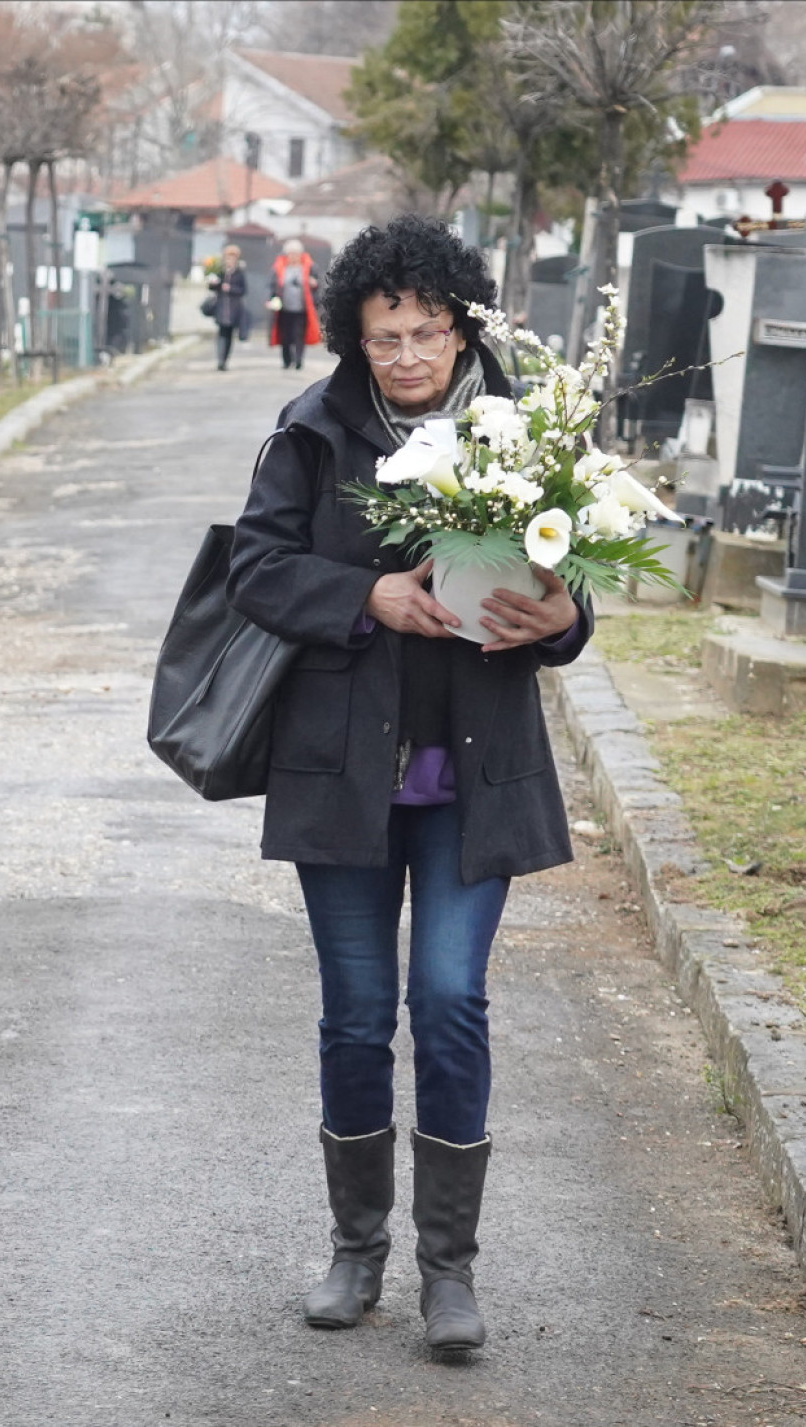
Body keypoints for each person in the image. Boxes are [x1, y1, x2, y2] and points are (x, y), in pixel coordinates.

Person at [227, 214, 593, 1355]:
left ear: (459, 325)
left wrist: (569, 612)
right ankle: (356, 1249)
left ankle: (450, 1269)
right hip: (343, 772)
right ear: (355, 331)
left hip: (476, 771)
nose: (405, 356)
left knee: (446, 998)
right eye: (384, 334)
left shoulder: (523, 431)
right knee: (351, 1013)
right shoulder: (314, 428)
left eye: (427, 331)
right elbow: (254, 565)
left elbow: (568, 572)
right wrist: (365, 596)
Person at [268, 237, 321, 370]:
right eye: (291, 253)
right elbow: (272, 286)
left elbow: (318, 284)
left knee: (299, 335)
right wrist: (271, 299)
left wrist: (313, 284)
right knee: (285, 336)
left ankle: (298, 360)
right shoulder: (279, 268)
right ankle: (287, 360)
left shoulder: (309, 267)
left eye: (296, 253)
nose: (293, 256)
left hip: (302, 308)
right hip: (284, 308)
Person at [207, 245, 247, 371]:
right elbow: (212, 287)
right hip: (221, 306)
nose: (229, 261)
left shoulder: (239, 274)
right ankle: (220, 359)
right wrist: (214, 283)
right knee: (221, 333)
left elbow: (243, 290)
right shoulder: (221, 272)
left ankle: (224, 359)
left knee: (229, 334)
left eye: (232, 258)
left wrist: (230, 289)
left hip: (233, 307)